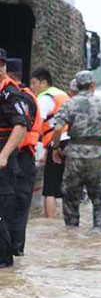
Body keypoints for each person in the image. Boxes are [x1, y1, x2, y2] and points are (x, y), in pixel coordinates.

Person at [50, 70, 101, 229]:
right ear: (93, 85)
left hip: (74, 155)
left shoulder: (69, 103)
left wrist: (55, 148)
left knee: (71, 196)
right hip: (96, 155)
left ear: (77, 85)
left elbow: (57, 128)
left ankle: (71, 231)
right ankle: (98, 230)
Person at [5, 59, 40, 255]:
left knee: (15, 207)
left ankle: (13, 254)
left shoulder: (18, 97)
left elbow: (18, 128)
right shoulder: (27, 96)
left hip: (19, 157)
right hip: (18, 157)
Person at [0, 50, 31, 266]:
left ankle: (5, 267)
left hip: (3, 166)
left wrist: (3, 155)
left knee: (2, 216)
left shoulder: (11, 94)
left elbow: (21, 126)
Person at [30, 67, 69, 218]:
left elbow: (39, 123)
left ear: (44, 82)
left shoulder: (44, 97)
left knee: (50, 189)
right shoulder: (63, 94)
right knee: (69, 185)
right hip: (71, 143)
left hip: (58, 144)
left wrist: (33, 145)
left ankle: (49, 223)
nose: (32, 87)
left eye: (34, 83)